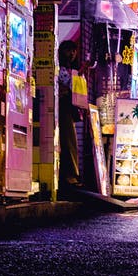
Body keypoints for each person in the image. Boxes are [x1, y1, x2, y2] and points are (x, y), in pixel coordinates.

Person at [56, 40, 85, 191]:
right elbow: (68, 85)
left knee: (70, 142)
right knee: (67, 142)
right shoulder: (59, 68)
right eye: (69, 50)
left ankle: (71, 175)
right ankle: (69, 176)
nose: (72, 54)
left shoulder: (71, 69)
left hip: (68, 109)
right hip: (61, 109)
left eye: (74, 50)